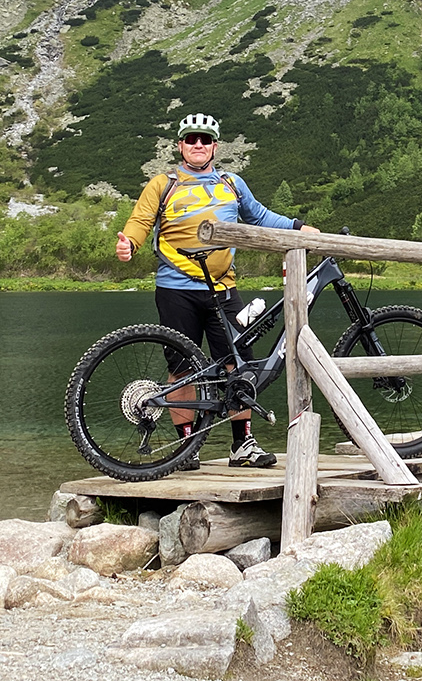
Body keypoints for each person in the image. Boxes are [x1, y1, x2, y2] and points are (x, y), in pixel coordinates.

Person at [115, 111, 322, 469]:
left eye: (205, 140)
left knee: (237, 364)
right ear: (180, 145)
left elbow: (259, 216)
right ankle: (186, 449)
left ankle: (242, 445)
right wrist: (129, 244)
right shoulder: (162, 183)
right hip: (175, 289)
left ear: (215, 146)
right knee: (181, 367)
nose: (198, 145)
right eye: (191, 139)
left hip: (224, 288)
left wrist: (298, 228)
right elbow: (141, 221)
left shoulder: (231, 183)